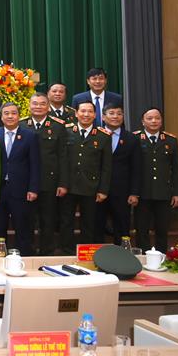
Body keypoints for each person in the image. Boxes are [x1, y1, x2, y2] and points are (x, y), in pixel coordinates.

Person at [0, 103, 41, 254]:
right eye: (6, 113)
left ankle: (24, 257)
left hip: (22, 190)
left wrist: (33, 188)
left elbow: (35, 164)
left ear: (19, 116)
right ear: (1, 117)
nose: (10, 116)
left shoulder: (30, 136)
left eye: (13, 113)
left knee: (23, 227)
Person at [60, 102, 112, 248]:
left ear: (95, 115)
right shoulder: (66, 131)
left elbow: (106, 166)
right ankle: (66, 250)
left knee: (89, 222)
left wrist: (103, 190)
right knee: (66, 221)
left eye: (90, 112)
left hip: (91, 186)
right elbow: (61, 160)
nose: (86, 114)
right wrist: (61, 183)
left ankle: (85, 251)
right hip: (68, 185)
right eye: (83, 111)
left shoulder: (103, 136)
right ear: (76, 113)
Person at [24, 92, 69, 254]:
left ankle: (46, 252)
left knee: (48, 220)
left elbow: (63, 156)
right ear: (29, 106)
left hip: (49, 181)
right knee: (27, 220)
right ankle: (28, 252)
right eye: (35, 103)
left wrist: (63, 183)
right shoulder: (22, 125)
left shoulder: (58, 126)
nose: (38, 107)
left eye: (42, 104)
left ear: (48, 107)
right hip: (26, 181)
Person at [134, 108, 178, 251]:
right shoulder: (135, 138)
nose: (154, 121)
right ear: (143, 121)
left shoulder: (171, 140)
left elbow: (176, 169)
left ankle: (161, 257)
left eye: (157, 118)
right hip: (142, 193)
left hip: (163, 192)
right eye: (149, 118)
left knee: (162, 228)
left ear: (161, 121)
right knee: (141, 229)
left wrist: (177, 193)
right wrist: (132, 192)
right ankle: (143, 257)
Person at [96, 103, 141, 244]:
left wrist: (134, 192)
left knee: (122, 227)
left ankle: (122, 255)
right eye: (111, 113)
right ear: (103, 117)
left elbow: (136, 167)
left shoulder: (131, 138)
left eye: (119, 113)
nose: (115, 116)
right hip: (97, 190)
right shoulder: (95, 135)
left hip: (122, 191)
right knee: (96, 226)